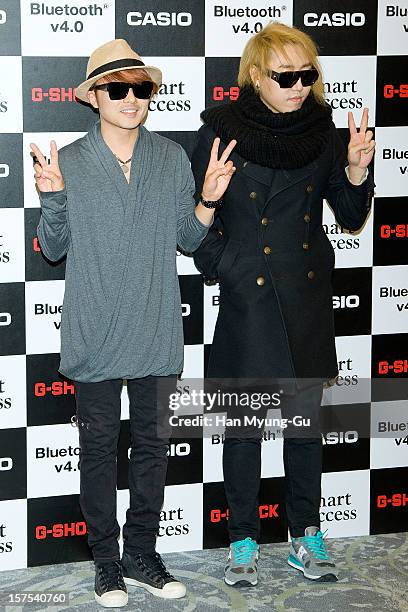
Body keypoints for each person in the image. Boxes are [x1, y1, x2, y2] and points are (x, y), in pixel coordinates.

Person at [31, 39, 236, 608]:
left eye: (140, 87)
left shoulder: (171, 158)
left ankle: (142, 554)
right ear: (94, 96)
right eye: (116, 88)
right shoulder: (68, 162)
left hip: (156, 330)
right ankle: (106, 562)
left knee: (151, 445)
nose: (130, 98)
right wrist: (52, 200)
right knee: (98, 451)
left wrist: (210, 200)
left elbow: (189, 239)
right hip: (94, 333)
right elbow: (52, 248)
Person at [191, 22, 375, 586]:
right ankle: (243, 540)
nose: (300, 86)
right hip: (248, 301)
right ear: (254, 76)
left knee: (303, 430)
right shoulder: (219, 130)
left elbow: (347, 215)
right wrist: (227, 263)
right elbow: (195, 224)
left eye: (308, 75)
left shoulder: (324, 133)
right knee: (243, 431)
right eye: (286, 77)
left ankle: (306, 535)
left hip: (305, 298)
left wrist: (357, 170)